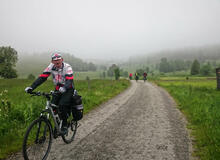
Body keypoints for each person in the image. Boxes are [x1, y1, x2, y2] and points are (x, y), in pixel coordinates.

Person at [25, 52, 74, 135]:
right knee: (53, 106)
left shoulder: (67, 67)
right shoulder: (51, 67)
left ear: (62, 60)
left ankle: (65, 125)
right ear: (52, 62)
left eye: (59, 60)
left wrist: (65, 88)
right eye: (55, 61)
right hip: (58, 88)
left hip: (68, 88)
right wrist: (31, 87)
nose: (57, 62)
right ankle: (58, 124)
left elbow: (69, 80)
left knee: (62, 105)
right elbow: (42, 78)